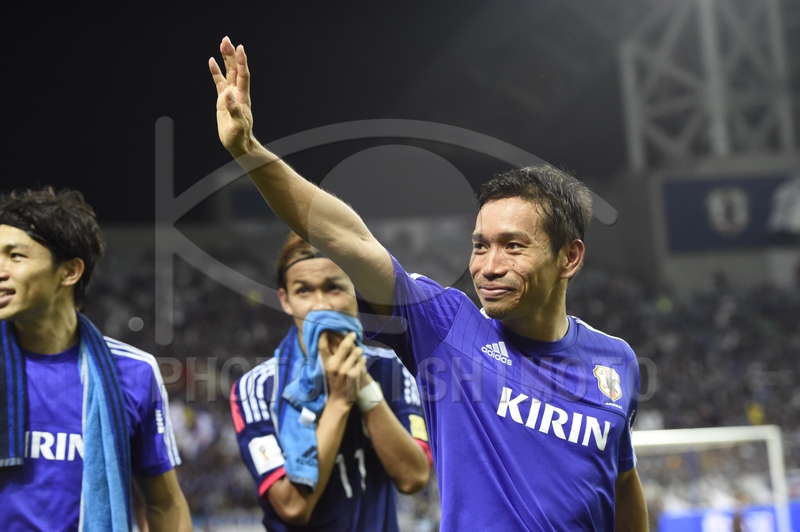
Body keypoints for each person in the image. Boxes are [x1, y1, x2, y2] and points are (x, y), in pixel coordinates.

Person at [210, 36, 648, 531]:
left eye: (513, 246)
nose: (489, 266)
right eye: (480, 246)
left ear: (569, 257)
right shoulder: (446, 328)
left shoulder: (617, 362)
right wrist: (249, 151)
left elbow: (622, 482)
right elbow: (348, 238)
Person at [0, 187, 192, 531]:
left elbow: (165, 504)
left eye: (15, 256)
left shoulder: (134, 372)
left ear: (69, 272)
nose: (1, 269)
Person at [229, 232, 432, 531]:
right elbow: (292, 507)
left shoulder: (391, 369)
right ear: (285, 300)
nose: (320, 305)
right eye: (304, 291)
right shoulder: (256, 389)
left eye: (333, 287)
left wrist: (362, 384)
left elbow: (414, 478)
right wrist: (338, 401)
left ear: (355, 290)